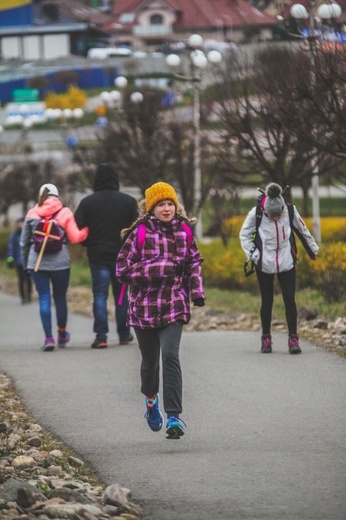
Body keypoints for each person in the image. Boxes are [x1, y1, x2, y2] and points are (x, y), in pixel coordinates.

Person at [116, 182, 205, 439]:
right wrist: (160, 267)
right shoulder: (139, 233)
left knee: (170, 356)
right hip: (143, 307)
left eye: (170, 204)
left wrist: (196, 291)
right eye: (161, 204)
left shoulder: (184, 232)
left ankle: (174, 417)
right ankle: (151, 401)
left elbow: (194, 262)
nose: (166, 209)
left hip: (174, 304)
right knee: (149, 363)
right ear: (150, 207)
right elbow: (122, 270)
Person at [239, 182, 319, 355]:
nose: (275, 218)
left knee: (289, 299)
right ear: (266, 210)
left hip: (287, 260)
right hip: (264, 263)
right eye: (271, 216)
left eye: (278, 215)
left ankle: (293, 338)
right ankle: (266, 338)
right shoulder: (256, 213)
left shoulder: (289, 211)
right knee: (267, 301)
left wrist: (313, 250)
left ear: (282, 208)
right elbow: (244, 235)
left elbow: (302, 230)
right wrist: (254, 255)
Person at [74, 163, 138, 349]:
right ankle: (124, 334)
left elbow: (78, 228)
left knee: (100, 296)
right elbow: (135, 229)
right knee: (121, 297)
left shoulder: (88, 202)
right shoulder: (128, 201)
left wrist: (87, 244)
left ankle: (101, 336)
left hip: (98, 256)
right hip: (122, 256)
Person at [20, 183, 88, 351]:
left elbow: (23, 242)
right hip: (61, 263)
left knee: (44, 297)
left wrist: (26, 263)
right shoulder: (65, 212)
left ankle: (49, 338)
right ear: (57, 196)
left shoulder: (31, 213)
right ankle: (62, 334)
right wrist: (87, 230)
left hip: (37, 262)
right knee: (60, 298)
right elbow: (75, 237)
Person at [7, 217, 33, 304]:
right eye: (19, 223)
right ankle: (23, 297)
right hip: (18, 262)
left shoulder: (29, 234)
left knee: (28, 279)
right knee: (21, 279)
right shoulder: (14, 235)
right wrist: (10, 258)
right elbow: (11, 248)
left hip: (28, 261)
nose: (21, 225)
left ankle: (29, 296)